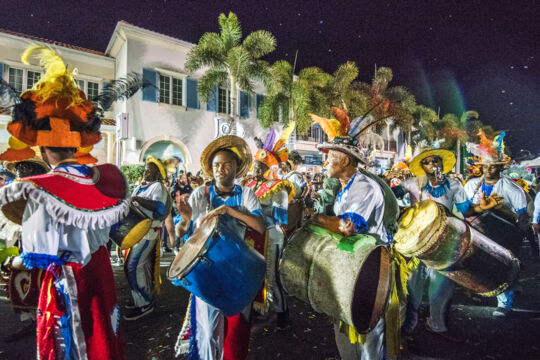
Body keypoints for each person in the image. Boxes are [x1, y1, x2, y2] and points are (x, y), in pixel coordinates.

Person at [0, 46, 130, 359]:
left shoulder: (36, 189)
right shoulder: (106, 178)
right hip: (100, 273)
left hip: (66, 282)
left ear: (43, 152)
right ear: (75, 146)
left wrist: (12, 262)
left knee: (71, 342)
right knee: (102, 333)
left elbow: (38, 254)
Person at [310, 107, 400, 360]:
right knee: (346, 326)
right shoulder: (344, 187)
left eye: (330, 157)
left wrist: (316, 219)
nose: (324, 162)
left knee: (369, 330)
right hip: (354, 264)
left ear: (346, 160)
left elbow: (348, 227)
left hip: (372, 267)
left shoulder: (364, 187)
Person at [174, 135, 265, 360]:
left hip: (239, 269)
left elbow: (260, 227)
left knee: (236, 330)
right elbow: (180, 232)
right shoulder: (200, 195)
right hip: (205, 272)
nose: (220, 169)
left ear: (236, 168)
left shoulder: (246, 194)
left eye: (226, 164)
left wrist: (229, 211)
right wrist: (185, 220)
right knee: (206, 332)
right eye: (216, 165)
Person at [396, 148, 471, 339]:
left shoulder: (454, 186)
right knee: (412, 288)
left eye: (435, 161)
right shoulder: (414, 183)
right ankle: (407, 328)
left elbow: (468, 212)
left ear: (442, 163)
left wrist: (484, 207)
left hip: (444, 245)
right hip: (416, 245)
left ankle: (438, 325)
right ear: (422, 166)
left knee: (441, 288)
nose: (432, 165)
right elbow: (391, 195)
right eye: (427, 162)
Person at [464, 137, 529, 317]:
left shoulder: (513, 189)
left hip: (504, 236)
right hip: (478, 234)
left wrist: (500, 210)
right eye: (484, 166)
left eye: (492, 166)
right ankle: (486, 289)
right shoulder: (470, 186)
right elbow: (465, 211)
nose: (487, 169)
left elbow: (522, 220)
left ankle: (505, 301)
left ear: (501, 167)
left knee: (503, 267)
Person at [245, 137, 295, 329]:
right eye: (255, 167)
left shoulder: (279, 188)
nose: (256, 171)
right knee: (254, 273)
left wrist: (255, 213)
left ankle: (283, 314)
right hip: (252, 236)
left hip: (271, 236)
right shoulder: (249, 186)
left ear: (269, 169)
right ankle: (259, 308)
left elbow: (280, 217)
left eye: (260, 168)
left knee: (271, 277)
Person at [0, 156, 49, 342]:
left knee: (42, 285)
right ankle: (28, 322)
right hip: (23, 245)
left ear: (36, 169)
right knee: (16, 281)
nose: (20, 169)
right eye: (18, 166)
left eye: (26, 166)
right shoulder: (13, 191)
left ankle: (46, 324)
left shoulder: (46, 191)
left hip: (44, 247)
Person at [123, 156, 172, 320]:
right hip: (137, 231)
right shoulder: (143, 187)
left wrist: (137, 199)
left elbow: (159, 208)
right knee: (139, 267)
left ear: (157, 173)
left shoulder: (158, 187)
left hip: (148, 232)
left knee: (133, 266)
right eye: (146, 169)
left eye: (150, 169)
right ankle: (141, 298)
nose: (146, 172)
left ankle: (144, 303)